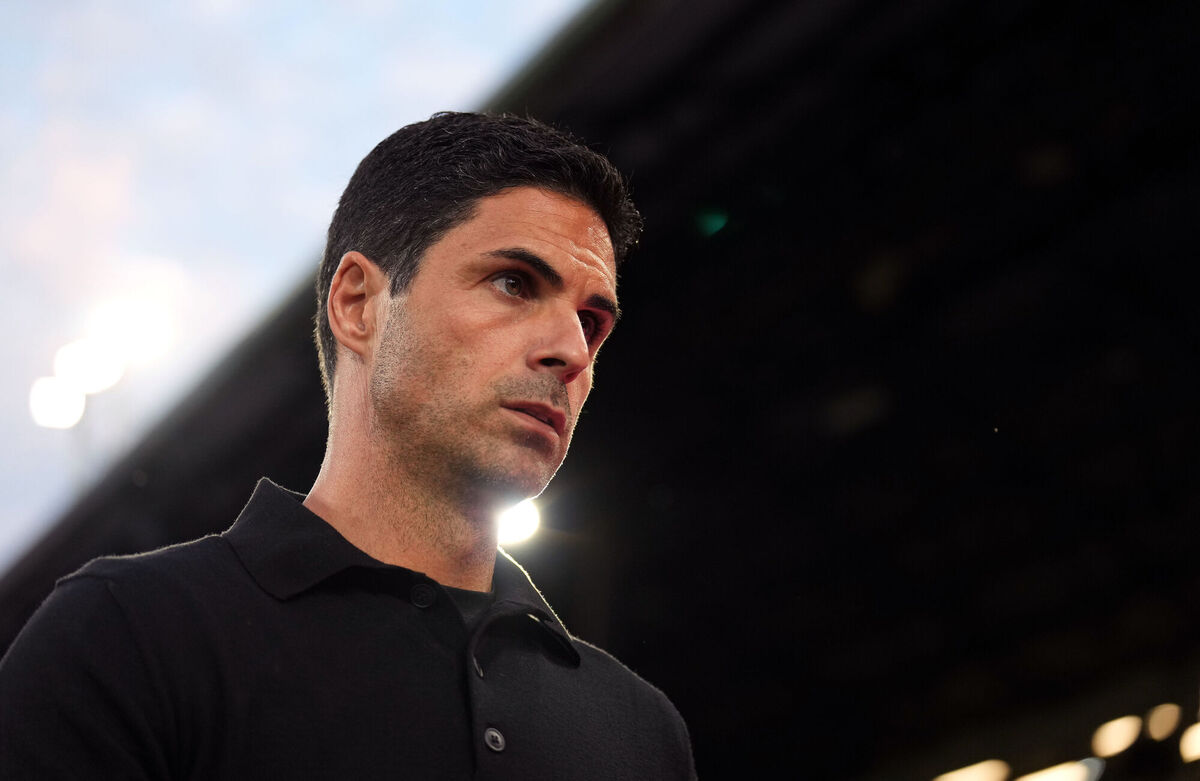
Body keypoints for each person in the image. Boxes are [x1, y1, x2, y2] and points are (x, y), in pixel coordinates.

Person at [0, 112, 696, 780]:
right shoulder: (129, 631)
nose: (572, 350)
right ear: (358, 304)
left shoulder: (640, 728)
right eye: (514, 283)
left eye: (592, 319)